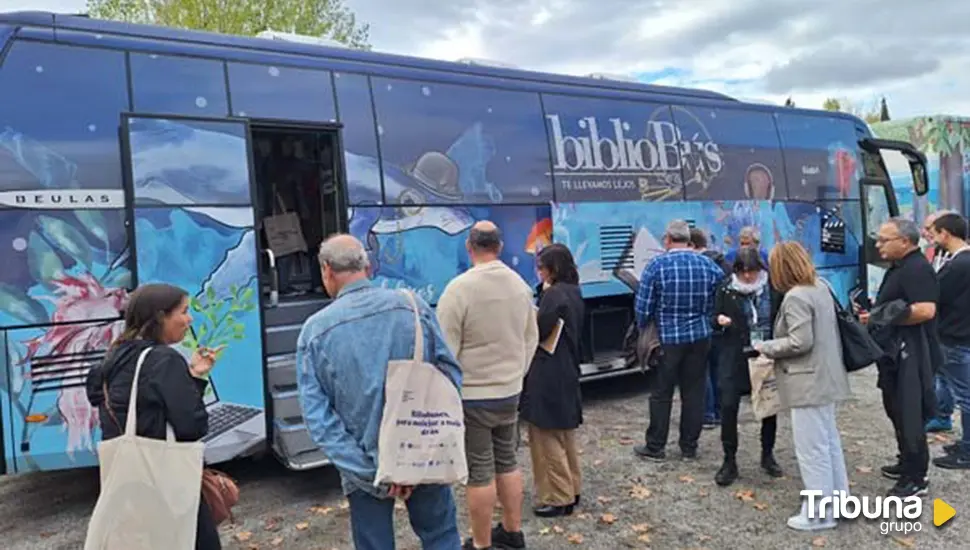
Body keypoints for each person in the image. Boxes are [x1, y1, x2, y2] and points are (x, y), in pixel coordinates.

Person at [296, 234, 463, 550]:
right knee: (441, 536)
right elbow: (450, 375)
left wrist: (371, 471)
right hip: (424, 452)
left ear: (327, 270)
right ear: (367, 266)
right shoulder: (413, 307)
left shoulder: (315, 332)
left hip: (363, 469)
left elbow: (319, 421)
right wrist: (429, 439)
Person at [85, 283, 223, 550]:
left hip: (127, 485)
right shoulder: (164, 360)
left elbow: (103, 401)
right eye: (183, 311)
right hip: (165, 482)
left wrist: (191, 375)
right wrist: (194, 379)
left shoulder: (112, 357)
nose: (189, 319)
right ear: (161, 317)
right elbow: (192, 426)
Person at [436, 221, 538, 549]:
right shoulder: (520, 285)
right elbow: (530, 338)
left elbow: (445, 350)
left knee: (480, 471)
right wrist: (515, 374)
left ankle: (481, 544)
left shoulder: (458, 289)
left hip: (473, 396)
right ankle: (512, 532)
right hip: (509, 391)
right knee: (507, 460)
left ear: (469, 246)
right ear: (500, 245)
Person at [754, 242, 851, 531]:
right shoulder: (820, 286)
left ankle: (819, 513)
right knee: (829, 443)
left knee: (812, 450)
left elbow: (800, 341)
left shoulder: (795, 297)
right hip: (826, 376)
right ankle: (838, 501)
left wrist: (766, 346)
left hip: (806, 380)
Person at [860, 218, 942, 497]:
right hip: (894, 353)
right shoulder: (900, 267)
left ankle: (916, 477)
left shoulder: (917, 269)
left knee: (910, 414)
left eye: (885, 239)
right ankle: (906, 460)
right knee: (895, 409)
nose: (878, 244)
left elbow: (926, 310)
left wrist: (881, 316)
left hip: (912, 353)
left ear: (905, 242)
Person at [633, 220, 725, 461]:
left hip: (668, 339)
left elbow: (643, 307)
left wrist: (644, 327)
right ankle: (689, 446)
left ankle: (656, 446)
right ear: (689, 240)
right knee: (693, 392)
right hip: (700, 337)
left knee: (661, 393)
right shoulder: (708, 265)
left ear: (667, 239)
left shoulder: (656, 266)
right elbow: (720, 297)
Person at [519, 243, 586, 517]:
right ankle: (572, 486)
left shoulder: (553, 296)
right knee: (564, 434)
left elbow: (539, 328)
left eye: (541, 267)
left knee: (545, 437)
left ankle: (557, 496)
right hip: (567, 369)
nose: (538, 272)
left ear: (551, 269)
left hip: (547, 371)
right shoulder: (574, 292)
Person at [711, 247, 782, 486]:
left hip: (764, 354)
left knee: (768, 405)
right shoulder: (726, 288)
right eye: (743, 272)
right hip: (734, 354)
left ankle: (768, 454)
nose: (748, 276)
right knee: (729, 406)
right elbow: (713, 316)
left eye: (752, 271)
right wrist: (720, 321)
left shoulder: (773, 288)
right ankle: (729, 460)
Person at [929, 212, 970, 469]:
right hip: (959, 333)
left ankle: (967, 450)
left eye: (934, 233)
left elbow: (936, 294)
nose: (932, 238)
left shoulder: (958, 265)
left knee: (965, 396)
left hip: (954, 336)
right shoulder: (962, 261)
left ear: (945, 233)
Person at [689, 227, 729, 430]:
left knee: (702, 370)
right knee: (717, 369)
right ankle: (721, 411)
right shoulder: (721, 263)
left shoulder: (698, 265)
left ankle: (707, 413)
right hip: (720, 323)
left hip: (704, 322)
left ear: (692, 245)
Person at [923, 210, 956, 432]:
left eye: (930, 230)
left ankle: (943, 414)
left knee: (949, 375)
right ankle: (939, 412)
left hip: (952, 325)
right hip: (938, 323)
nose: (926, 234)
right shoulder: (936, 252)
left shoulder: (959, 257)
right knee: (939, 371)